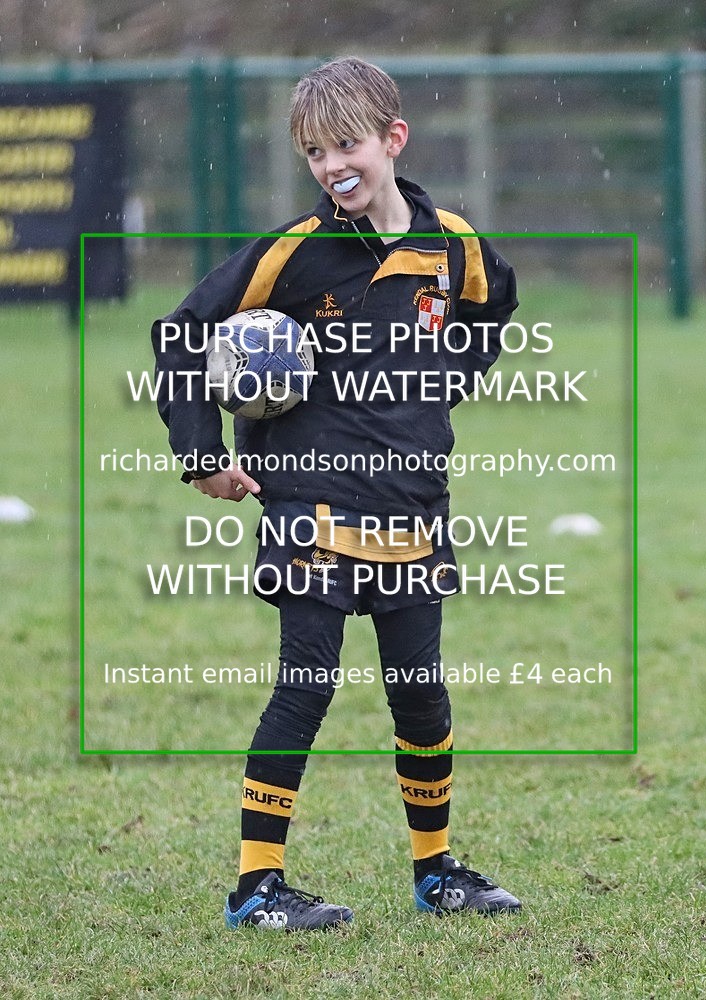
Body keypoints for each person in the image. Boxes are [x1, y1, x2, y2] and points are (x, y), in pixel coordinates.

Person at [152, 56, 521, 931]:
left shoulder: (450, 244)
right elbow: (178, 333)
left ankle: (437, 875)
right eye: (314, 153)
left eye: (345, 144)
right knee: (306, 685)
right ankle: (256, 888)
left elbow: (494, 306)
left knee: (421, 693)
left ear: (393, 140)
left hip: (411, 510)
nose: (331, 166)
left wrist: (437, 388)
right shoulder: (296, 253)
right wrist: (203, 453)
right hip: (311, 508)